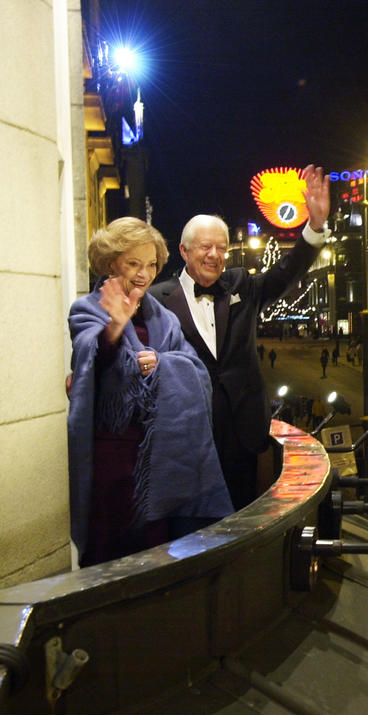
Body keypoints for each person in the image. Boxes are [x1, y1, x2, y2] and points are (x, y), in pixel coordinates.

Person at [149, 164, 329, 509]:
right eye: (205, 247)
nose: (215, 255)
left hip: (242, 435)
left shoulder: (241, 285)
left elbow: (285, 274)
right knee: (191, 528)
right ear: (184, 251)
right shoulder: (157, 300)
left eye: (222, 248)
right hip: (187, 437)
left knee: (241, 520)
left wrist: (314, 227)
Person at [67, 217, 233, 567]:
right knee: (110, 552)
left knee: (157, 553)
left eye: (152, 265)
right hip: (113, 459)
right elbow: (91, 356)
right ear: (112, 262)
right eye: (133, 264)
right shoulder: (86, 308)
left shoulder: (164, 318)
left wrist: (161, 363)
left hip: (162, 458)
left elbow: (196, 372)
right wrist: (115, 325)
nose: (144, 274)